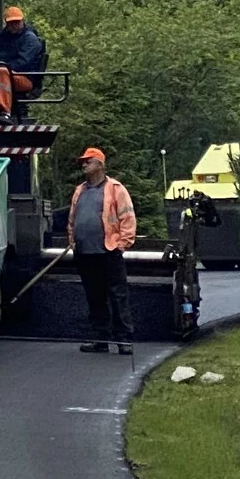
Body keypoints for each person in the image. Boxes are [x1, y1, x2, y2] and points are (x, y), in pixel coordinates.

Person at [69, 146, 138, 355]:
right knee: (94, 297)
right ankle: (100, 339)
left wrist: (122, 244)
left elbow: (127, 217)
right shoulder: (80, 190)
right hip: (85, 253)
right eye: (83, 161)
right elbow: (73, 219)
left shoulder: (115, 189)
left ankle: (124, 340)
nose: (83, 164)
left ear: (99, 164)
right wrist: (72, 240)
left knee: (118, 296)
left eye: (88, 161)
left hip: (108, 252)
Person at [0, 4, 45, 119]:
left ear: (22, 21)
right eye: (11, 23)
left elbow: (23, 63)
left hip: (24, 77)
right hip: (0, 73)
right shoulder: (4, 37)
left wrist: (0, 66)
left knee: (2, 72)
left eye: (17, 22)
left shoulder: (30, 39)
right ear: (7, 23)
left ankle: (3, 111)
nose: (14, 25)